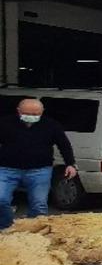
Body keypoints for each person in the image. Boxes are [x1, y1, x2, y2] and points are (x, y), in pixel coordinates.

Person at [0, 98, 77, 230]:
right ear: (19, 111)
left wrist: (70, 164)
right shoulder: (5, 123)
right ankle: (6, 226)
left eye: (36, 114)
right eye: (27, 114)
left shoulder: (51, 125)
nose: (31, 117)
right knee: (1, 199)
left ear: (42, 112)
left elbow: (64, 144)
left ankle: (36, 233)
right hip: (7, 169)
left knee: (39, 204)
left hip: (39, 170)